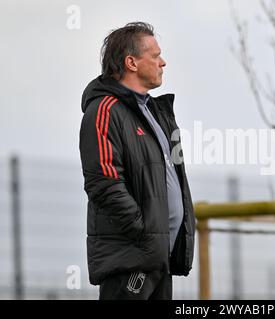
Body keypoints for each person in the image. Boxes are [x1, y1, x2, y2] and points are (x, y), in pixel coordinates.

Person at [79, 22, 196, 300]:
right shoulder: (104, 110)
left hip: (159, 259)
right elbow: (104, 183)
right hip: (132, 260)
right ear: (131, 62)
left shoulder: (156, 113)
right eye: (155, 56)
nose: (163, 62)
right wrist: (144, 231)